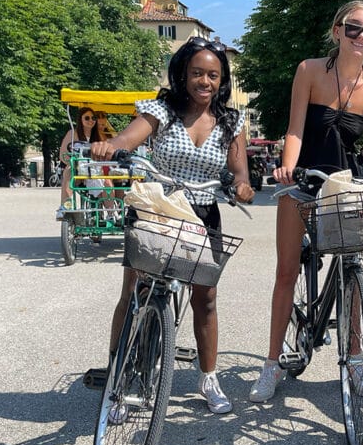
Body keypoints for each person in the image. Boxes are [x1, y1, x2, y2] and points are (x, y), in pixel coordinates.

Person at [249, 0, 363, 403]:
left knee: (354, 272)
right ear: (337, 30)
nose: (361, 37)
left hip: (346, 183)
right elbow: (294, 130)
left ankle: (357, 359)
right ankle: (271, 364)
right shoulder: (309, 71)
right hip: (307, 177)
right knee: (287, 271)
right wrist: (288, 168)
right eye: (354, 28)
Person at [90, 36, 256, 413]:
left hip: (202, 212)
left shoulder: (231, 121)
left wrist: (243, 187)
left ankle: (209, 377)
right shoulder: (162, 110)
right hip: (158, 208)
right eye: (197, 73)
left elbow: (239, 170)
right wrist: (112, 145)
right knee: (134, 291)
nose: (205, 82)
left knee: (206, 299)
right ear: (183, 73)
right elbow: (129, 138)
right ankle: (119, 376)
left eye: (213, 75)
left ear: (222, 80)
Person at [56, 107, 105, 217]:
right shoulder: (72, 134)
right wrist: (75, 163)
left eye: (93, 118)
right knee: (69, 171)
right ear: (80, 120)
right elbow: (63, 154)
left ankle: (110, 212)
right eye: (87, 118)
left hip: (94, 169)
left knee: (108, 180)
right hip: (78, 169)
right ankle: (66, 205)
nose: (90, 120)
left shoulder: (98, 136)